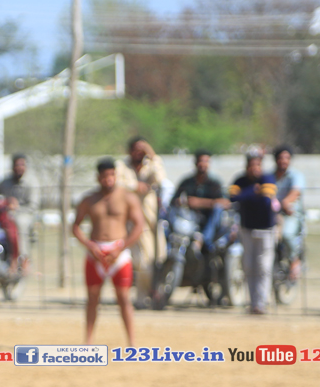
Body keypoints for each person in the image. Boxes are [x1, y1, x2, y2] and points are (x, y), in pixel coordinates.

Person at [73, 159, 146, 346]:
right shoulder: (89, 200)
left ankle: (131, 343)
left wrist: (121, 247)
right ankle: (88, 342)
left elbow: (139, 225)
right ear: (98, 177)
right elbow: (75, 227)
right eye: (105, 176)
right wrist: (90, 246)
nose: (109, 179)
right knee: (92, 298)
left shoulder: (128, 197)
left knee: (123, 298)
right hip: (95, 252)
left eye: (112, 175)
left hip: (119, 252)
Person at [116, 137, 166, 304]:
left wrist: (152, 155)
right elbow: (116, 183)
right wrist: (135, 186)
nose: (139, 153)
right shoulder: (122, 166)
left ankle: (148, 296)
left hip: (149, 222)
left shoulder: (150, 166)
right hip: (128, 222)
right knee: (137, 262)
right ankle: (136, 298)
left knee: (152, 261)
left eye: (142, 150)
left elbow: (160, 178)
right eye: (136, 149)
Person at [229, 149, 279, 315]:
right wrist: (253, 190)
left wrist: (247, 195)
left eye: (257, 165)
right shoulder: (240, 180)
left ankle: (261, 303)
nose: (254, 169)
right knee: (249, 266)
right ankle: (252, 303)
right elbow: (233, 198)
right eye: (251, 165)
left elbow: (266, 200)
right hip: (247, 228)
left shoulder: (268, 179)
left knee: (263, 267)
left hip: (266, 229)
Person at [171, 151, 230, 255]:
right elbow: (173, 201)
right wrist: (183, 202)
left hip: (209, 220)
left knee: (217, 209)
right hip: (190, 219)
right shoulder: (187, 182)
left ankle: (203, 239)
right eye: (200, 161)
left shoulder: (214, 183)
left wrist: (200, 202)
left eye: (206, 161)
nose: (203, 164)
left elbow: (226, 203)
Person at [0, 152, 39, 269]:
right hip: (5, 213)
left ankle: (21, 258)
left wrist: (16, 208)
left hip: (24, 214)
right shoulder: (5, 182)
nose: (19, 168)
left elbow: (33, 206)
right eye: (17, 165)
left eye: (22, 165)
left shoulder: (32, 183)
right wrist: (4, 203)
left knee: (20, 223)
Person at [272, 145, 305, 280]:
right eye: (281, 158)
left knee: (286, 234)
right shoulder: (270, 176)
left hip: (289, 213)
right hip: (273, 214)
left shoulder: (295, 176)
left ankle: (294, 259)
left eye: (287, 158)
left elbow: (296, 192)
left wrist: (285, 202)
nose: (283, 161)